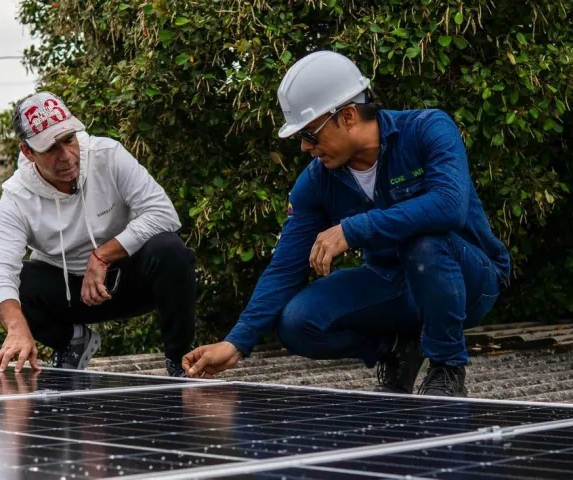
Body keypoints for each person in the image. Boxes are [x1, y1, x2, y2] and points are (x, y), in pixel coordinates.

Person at [182, 51, 511, 397]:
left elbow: (448, 206)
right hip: (392, 283)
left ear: (349, 115)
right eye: (301, 139)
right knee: (297, 322)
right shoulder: (317, 182)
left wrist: (354, 229)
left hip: (469, 282)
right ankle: (396, 347)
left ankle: (447, 366)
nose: (306, 147)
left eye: (310, 134)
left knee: (423, 241)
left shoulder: (428, 130)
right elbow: (285, 267)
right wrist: (237, 341)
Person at [0, 91, 196, 377]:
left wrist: (102, 256)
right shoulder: (17, 196)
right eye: (50, 148)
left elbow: (164, 214)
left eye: (69, 139)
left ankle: (179, 361)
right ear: (28, 152)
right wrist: (17, 329)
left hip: (127, 282)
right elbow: (0, 269)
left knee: (171, 249)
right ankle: (71, 341)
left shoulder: (108, 155)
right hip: (69, 297)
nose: (66, 156)